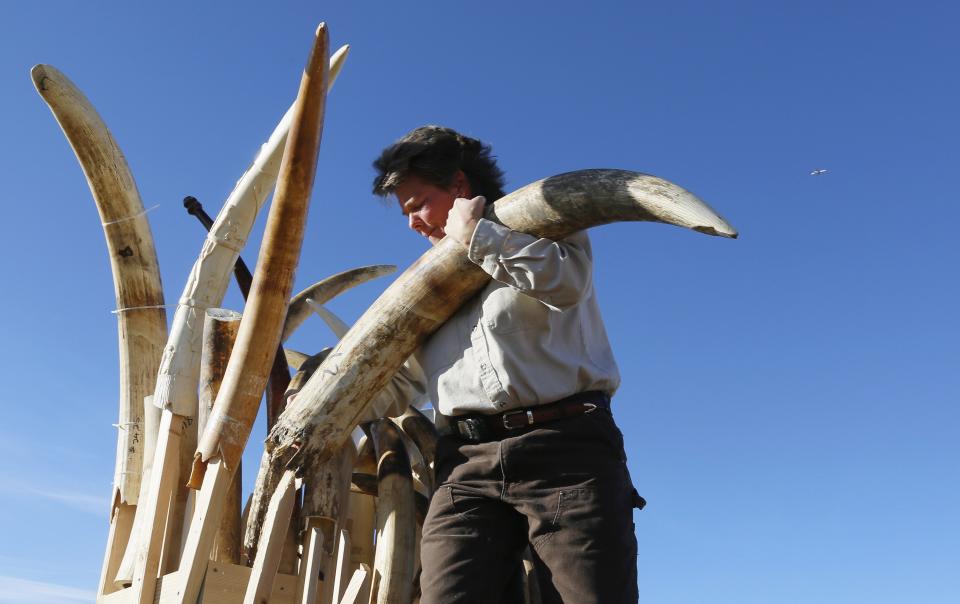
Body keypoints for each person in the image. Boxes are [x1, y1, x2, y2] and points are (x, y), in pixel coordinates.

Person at [370, 125, 643, 603]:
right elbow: (402, 383)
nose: (411, 223)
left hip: (567, 451)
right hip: (464, 467)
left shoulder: (544, 229)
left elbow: (566, 283)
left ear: (458, 186)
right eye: (405, 212)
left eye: (417, 205)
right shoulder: (423, 287)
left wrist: (478, 236)